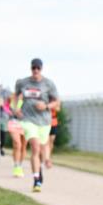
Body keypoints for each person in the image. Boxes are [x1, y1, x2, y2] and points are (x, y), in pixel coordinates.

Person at [14, 59, 60, 192]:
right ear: (30, 68)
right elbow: (16, 96)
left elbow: (57, 101)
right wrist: (17, 108)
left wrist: (46, 106)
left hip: (44, 121)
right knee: (35, 147)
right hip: (28, 119)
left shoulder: (48, 84)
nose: (35, 71)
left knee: (41, 148)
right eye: (33, 68)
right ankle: (36, 180)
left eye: (38, 68)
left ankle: (39, 169)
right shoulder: (23, 82)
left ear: (41, 69)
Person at [5, 93, 27, 177]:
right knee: (17, 144)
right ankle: (16, 165)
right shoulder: (12, 97)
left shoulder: (28, 97)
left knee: (23, 146)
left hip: (26, 123)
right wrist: (9, 112)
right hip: (13, 122)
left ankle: (20, 165)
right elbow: (6, 106)